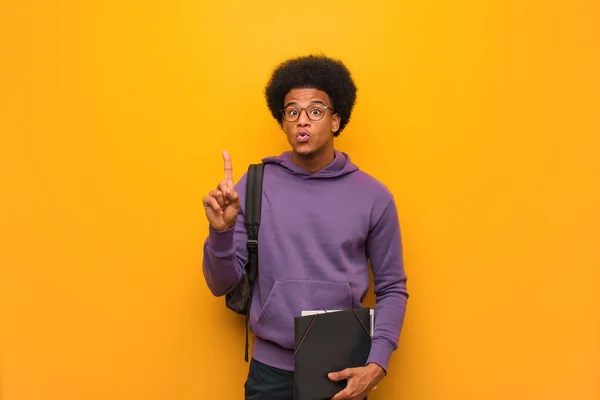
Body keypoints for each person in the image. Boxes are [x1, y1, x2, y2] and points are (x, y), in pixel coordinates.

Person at [202, 54, 408, 400]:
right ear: (282, 121)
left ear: (336, 120)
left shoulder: (375, 197)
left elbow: (392, 288)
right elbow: (219, 284)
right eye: (292, 111)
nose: (302, 121)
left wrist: (377, 364)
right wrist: (221, 233)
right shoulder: (252, 185)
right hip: (269, 374)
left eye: (315, 110)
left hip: (342, 371)